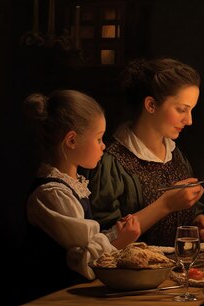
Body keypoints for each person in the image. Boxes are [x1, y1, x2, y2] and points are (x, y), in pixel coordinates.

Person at [83, 57, 204, 246]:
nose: (189, 120)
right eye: (181, 110)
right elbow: (105, 238)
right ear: (151, 105)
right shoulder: (112, 161)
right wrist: (166, 205)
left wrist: (197, 221)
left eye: (191, 110)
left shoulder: (174, 154)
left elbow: (182, 216)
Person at [24, 90, 141, 295]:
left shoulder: (72, 185)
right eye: (98, 138)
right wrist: (119, 240)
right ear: (71, 141)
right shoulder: (51, 194)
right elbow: (83, 261)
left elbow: (87, 241)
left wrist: (116, 233)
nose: (104, 146)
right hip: (54, 298)